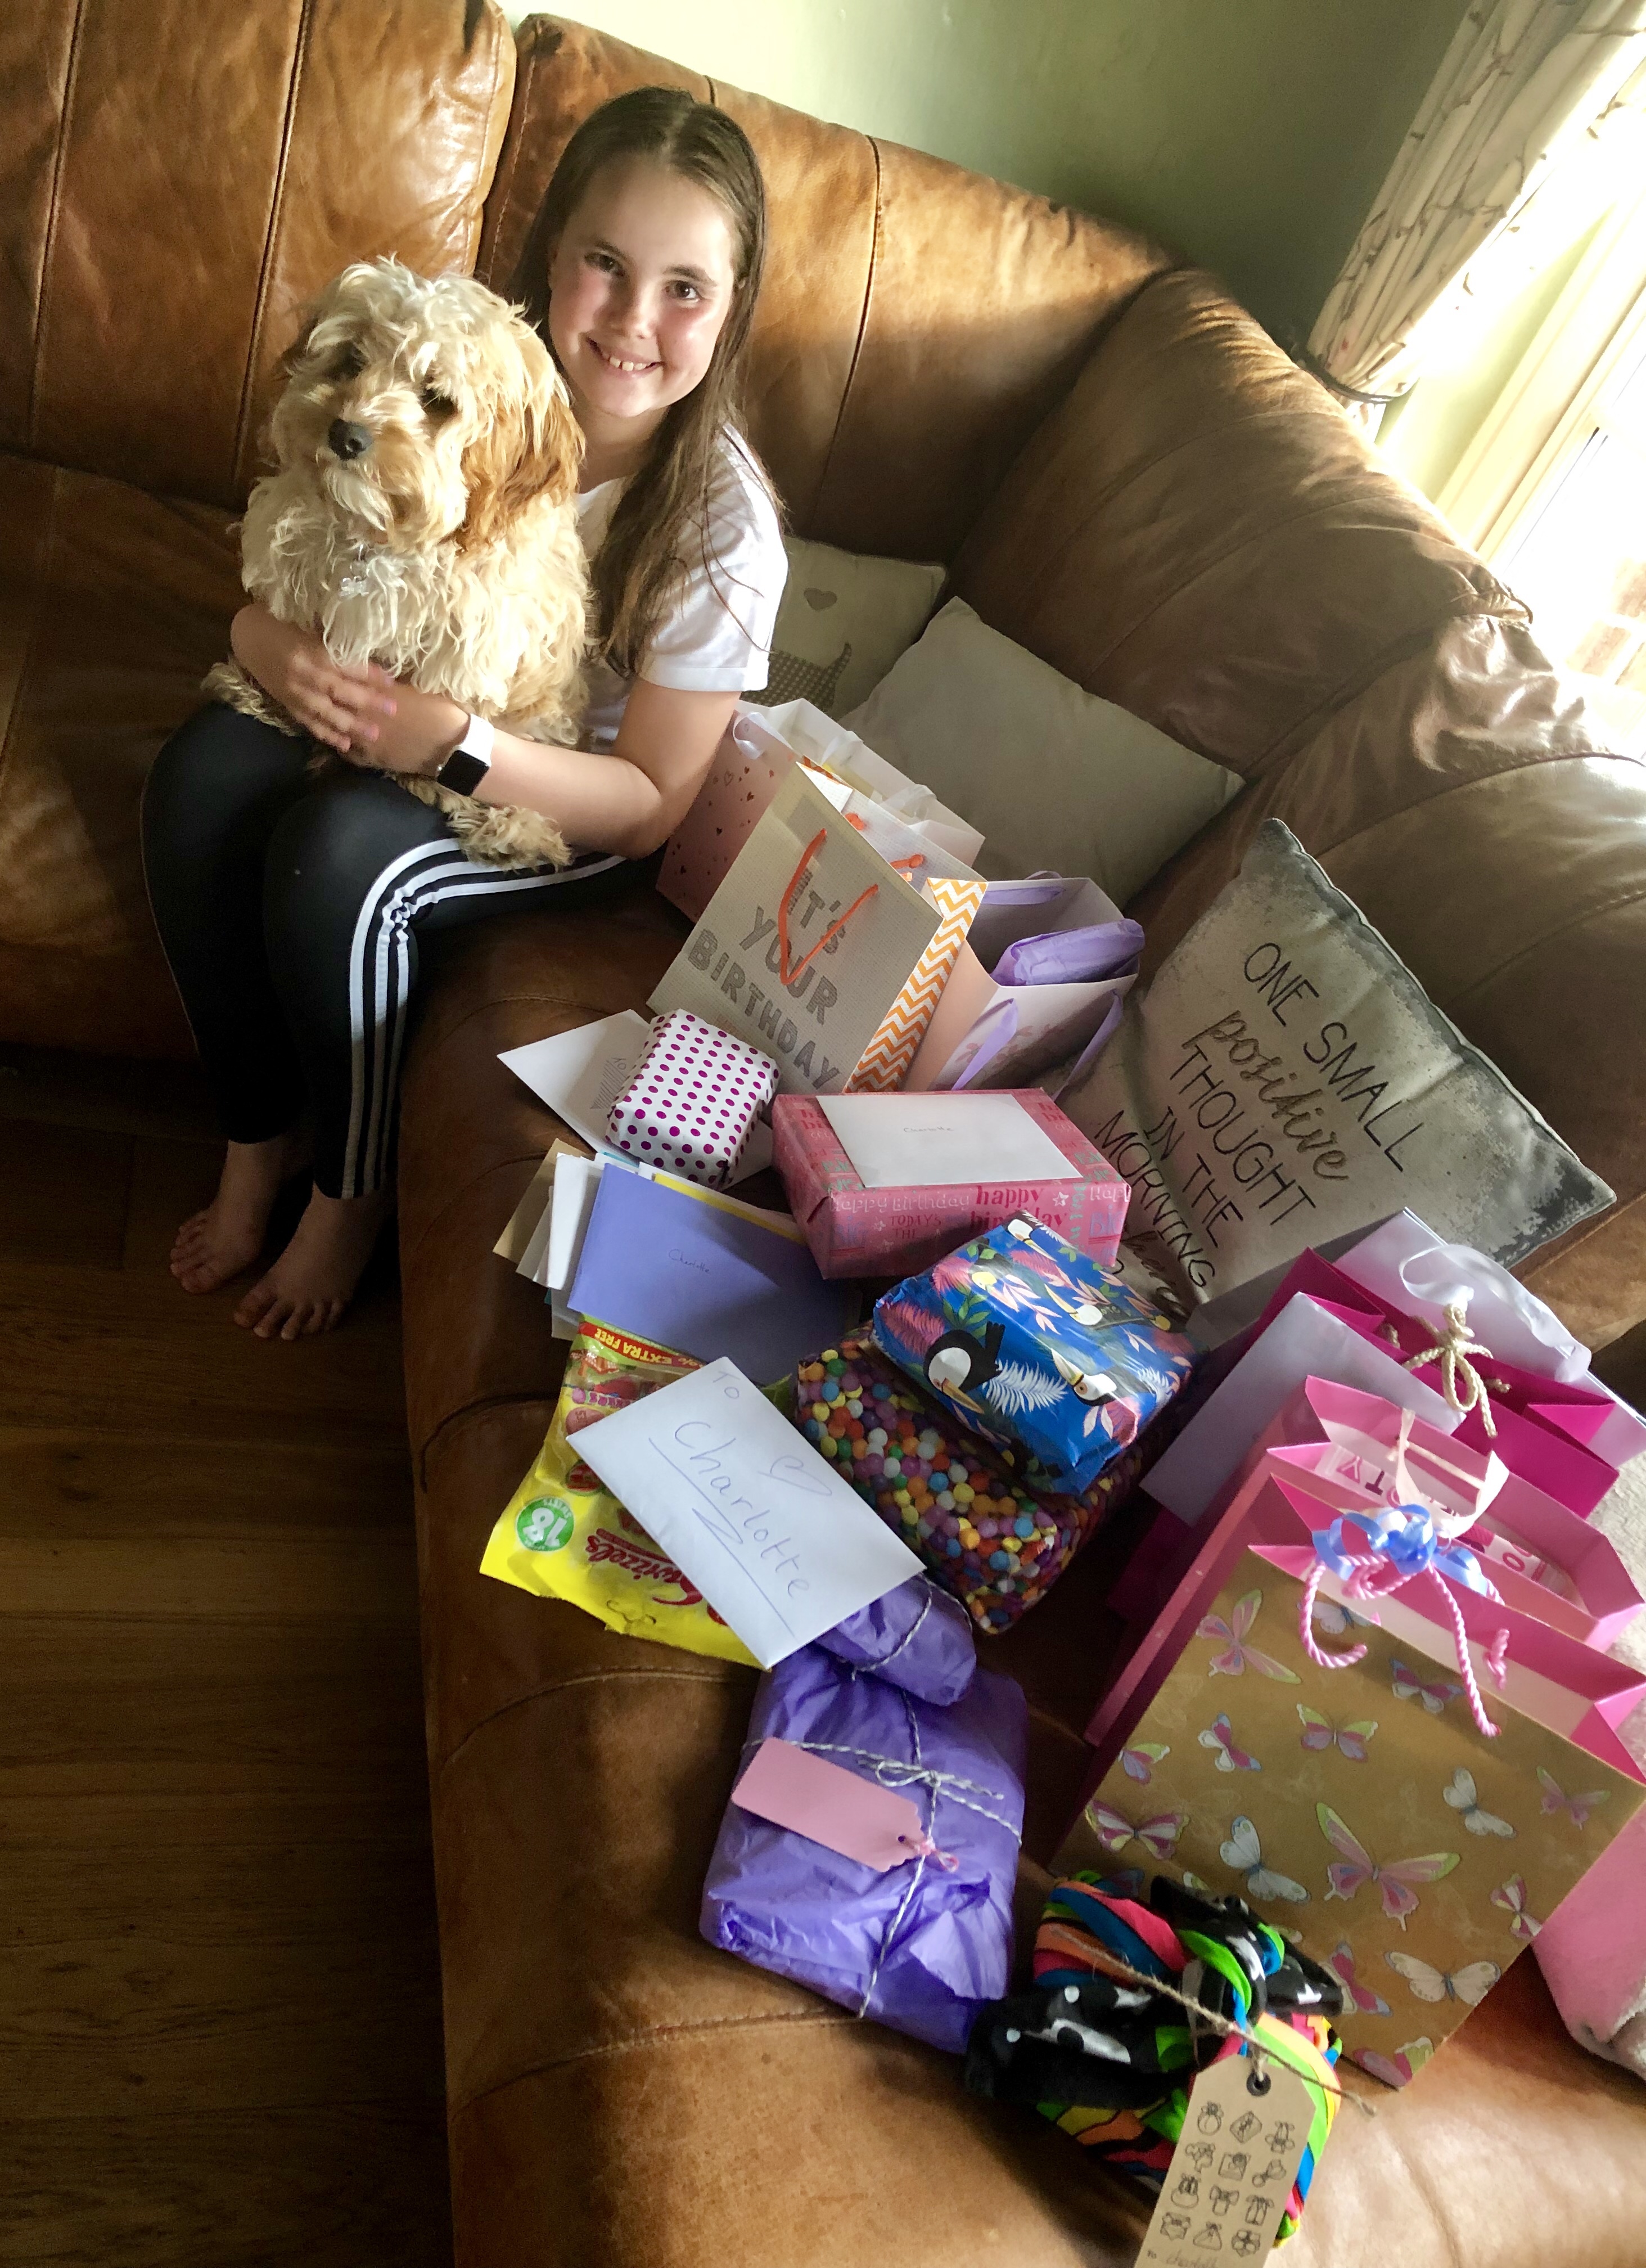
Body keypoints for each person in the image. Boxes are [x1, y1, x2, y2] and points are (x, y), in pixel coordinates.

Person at [142, 88, 785, 1340]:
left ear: (732, 308)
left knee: (337, 859)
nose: (634, 320)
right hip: (369, 692)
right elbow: (303, 538)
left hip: (556, 796)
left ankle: (350, 1194)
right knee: (200, 783)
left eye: (684, 288)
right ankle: (257, 1138)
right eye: (606, 263)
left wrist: (457, 747)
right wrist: (262, 643)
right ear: (553, 253)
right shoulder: (447, 363)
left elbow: (651, 804)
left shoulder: (721, 527)